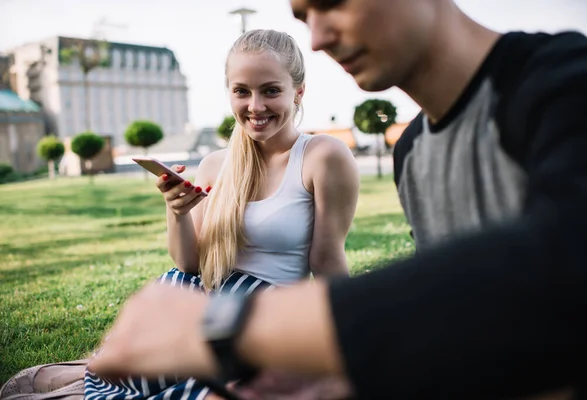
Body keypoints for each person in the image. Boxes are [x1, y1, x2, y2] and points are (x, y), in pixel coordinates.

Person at [88, 0, 587, 399]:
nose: (316, 37)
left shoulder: (567, 80)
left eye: (332, 2)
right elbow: (469, 334)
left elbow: (572, 261)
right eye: (304, 14)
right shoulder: (416, 149)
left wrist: (232, 328)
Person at [0, 29, 359, 400]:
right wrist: (177, 211)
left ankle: (91, 380)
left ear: (298, 92)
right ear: (229, 93)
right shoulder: (215, 164)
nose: (255, 106)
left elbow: (327, 259)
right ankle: (95, 377)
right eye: (241, 91)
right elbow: (188, 264)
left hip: (266, 316)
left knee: (206, 387)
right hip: (204, 297)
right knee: (157, 350)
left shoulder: (322, 155)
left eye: (270, 90)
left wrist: (347, 344)